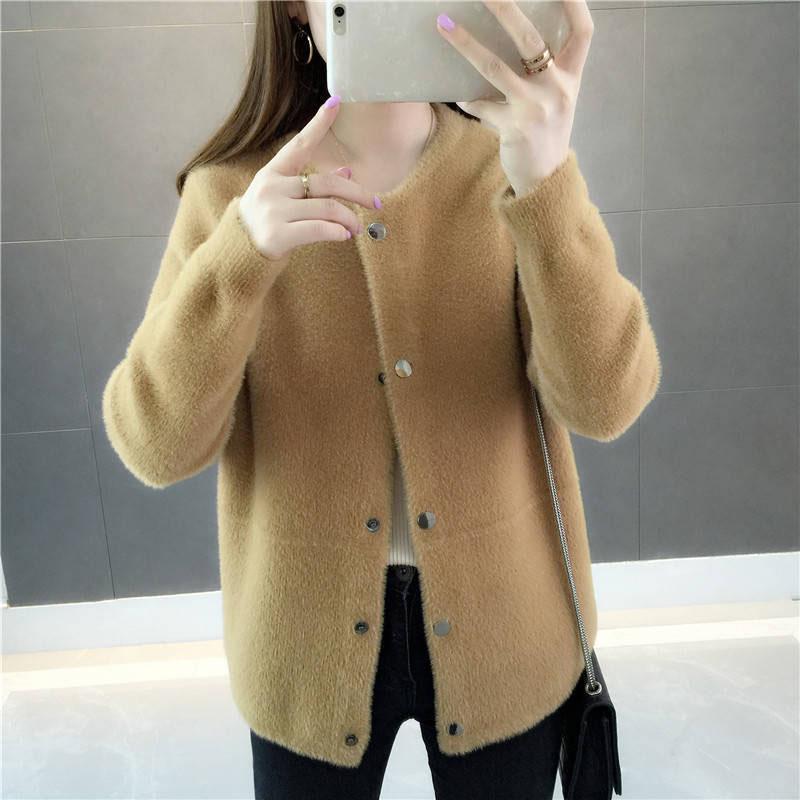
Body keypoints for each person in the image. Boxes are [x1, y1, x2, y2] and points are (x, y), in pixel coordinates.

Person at [102, 1, 660, 798]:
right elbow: (155, 445)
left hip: (509, 628)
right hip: (303, 646)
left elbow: (607, 402)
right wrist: (240, 257)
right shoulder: (233, 196)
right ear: (295, 7)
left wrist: (546, 181)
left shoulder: (512, 166)